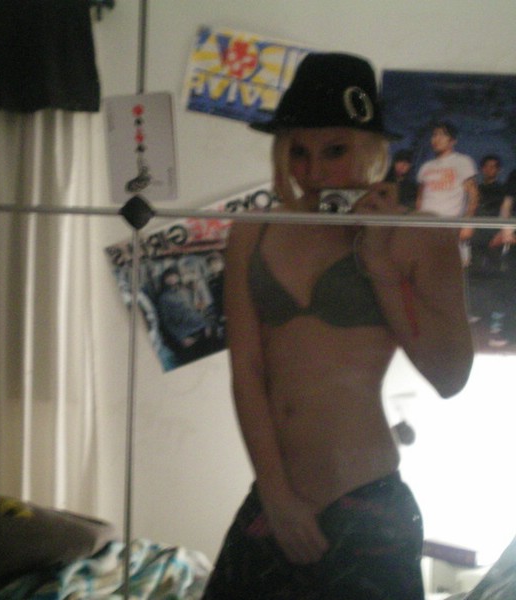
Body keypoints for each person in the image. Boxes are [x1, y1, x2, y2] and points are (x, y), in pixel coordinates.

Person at [203, 53, 474, 599]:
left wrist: (377, 263)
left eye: (334, 151)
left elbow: (450, 376)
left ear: (370, 149)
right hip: (277, 495)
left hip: (368, 500)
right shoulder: (252, 232)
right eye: (298, 151)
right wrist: (276, 496)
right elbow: (247, 372)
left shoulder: (418, 234)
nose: (312, 172)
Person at [468, 154, 516, 347]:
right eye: (487, 166)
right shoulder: (513, 176)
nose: (490, 169)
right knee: (507, 282)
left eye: (494, 166)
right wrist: (505, 230)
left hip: (505, 236)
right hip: (505, 236)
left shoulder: (502, 185)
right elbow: (507, 205)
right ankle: (505, 329)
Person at [416, 120, 479, 258]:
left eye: (442, 135)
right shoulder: (426, 167)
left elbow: (473, 196)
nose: (436, 139)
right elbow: (420, 198)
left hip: (450, 227)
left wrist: (467, 224)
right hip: (426, 228)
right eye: (434, 135)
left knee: (451, 265)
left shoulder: (462, 161)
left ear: (452, 141)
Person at [155, 264, 214, 364]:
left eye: (174, 275)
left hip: (202, 330)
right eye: (169, 276)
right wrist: (181, 338)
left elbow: (197, 310)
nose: (172, 278)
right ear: (164, 280)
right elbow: (166, 323)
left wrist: (206, 325)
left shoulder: (185, 291)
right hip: (188, 336)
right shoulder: (163, 298)